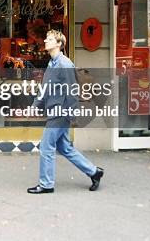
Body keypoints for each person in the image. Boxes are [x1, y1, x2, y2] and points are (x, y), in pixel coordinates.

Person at [27, 30, 104, 194]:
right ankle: (94, 172)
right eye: (46, 38)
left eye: (49, 39)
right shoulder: (52, 63)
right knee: (65, 148)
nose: (46, 41)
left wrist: (72, 115)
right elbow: (45, 88)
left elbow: (72, 92)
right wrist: (35, 105)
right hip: (55, 110)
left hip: (61, 113)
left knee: (46, 147)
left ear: (59, 44)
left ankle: (46, 184)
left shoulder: (65, 64)